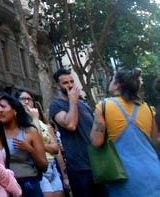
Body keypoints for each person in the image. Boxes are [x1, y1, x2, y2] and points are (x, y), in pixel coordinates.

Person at [90, 68, 160, 196]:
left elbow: (96, 142)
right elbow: (155, 141)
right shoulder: (148, 108)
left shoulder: (104, 106)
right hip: (153, 173)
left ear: (117, 85)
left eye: (112, 79)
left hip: (124, 178)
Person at [49, 68, 106, 197]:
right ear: (57, 86)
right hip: (79, 168)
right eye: (65, 83)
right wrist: (73, 101)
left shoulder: (85, 105)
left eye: (71, 82)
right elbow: (71, 124)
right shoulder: (56, 106)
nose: (70, 85)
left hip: (98, 165)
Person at [0, 93, 47, 197]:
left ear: (15, 110)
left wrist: (30, 150)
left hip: (29, 184)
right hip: (6, 187)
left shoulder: (30, 131)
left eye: (3, 106)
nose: (0, 110)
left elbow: (44, 166)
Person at [18, 90, 63, 197]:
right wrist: (34, 119)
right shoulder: (19, 124)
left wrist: (65, 176)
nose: (27, 102)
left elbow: (56, 149)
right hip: (37, 168)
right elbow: (36, 144)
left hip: (52, 167)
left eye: (29, 99)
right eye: (23, 99)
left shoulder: (45, 124)